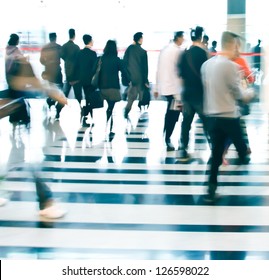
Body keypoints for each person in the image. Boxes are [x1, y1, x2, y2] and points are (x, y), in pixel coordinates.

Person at [1, 33, 68, 218]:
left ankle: (45, 201)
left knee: (19, 158)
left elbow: (19, 83)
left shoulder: (11, 58)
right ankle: (46, 202)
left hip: (14, 111)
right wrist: (52, 92)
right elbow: (25, 82)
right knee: (28, 160)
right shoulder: (18, 59)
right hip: (16, 111)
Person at [201, 31, 255, 203]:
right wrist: (250, 93)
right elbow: (239, 94)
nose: (237, 50)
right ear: (231, 45)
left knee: (216, 155)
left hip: (212, 117)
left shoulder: (207, 65)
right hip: (230, 118)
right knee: (242, 152)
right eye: (237, 46)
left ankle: (211, 190)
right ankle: (243, 195)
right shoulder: (231, 67)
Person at [177, 26, 209, 161]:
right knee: (207, 122)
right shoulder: (203, 54)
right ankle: (215, 149)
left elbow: (181, 76)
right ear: (201, 37)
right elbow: (208, 75)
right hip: (200, 94)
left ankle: (183, 150)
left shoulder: (184, 54)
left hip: (187, 94)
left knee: (186, 123)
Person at [154, 31, 185, 151]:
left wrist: (157, 87)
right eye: (182, 37)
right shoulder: (177, 52)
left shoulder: (165, 50)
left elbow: (158, 69)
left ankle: (167, 134)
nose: (183, 40)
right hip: (175, 90)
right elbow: (179, 72)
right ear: (178, 38)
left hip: (166, 88)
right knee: (174, 114)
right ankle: (168, 138)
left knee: (171, 113)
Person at [96, 40, 130, 139]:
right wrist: (128, 81)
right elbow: (124, 72)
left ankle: (107, 122)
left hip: (102, 87)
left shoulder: (101, 59)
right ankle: (110, 126)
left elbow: (94, 71)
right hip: (113, 87)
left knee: (108, 106)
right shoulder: (117, 60)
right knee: (111, 106)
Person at [123, 32, 149, 119]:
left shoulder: (129, 49)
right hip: (140, 79)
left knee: (131, 98)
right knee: (142, 95)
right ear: (140, 39)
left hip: (132, 78)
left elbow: (125, 63)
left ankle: (127, 110)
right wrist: (146, 80)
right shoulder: (143, 52)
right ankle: (141, 109)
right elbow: (145, 68)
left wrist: (126, 77)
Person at [57, 28, 82, 117]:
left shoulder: (64, 46)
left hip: (68, 74)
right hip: (76, 75)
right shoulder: (76, 47)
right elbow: (79, 61)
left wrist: (67, 61)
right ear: (74, 35)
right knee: (79, 96)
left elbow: (62, 56)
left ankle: (58, 111)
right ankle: (82, 112)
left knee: (64, 95)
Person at [76, 34, 98, 127]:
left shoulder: (79, 53)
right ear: (90, 41)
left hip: (82, 79)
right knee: (90, 96)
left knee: (86, 95)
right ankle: (88, 111)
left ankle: (86, 111)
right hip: (91, 79)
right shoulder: (93, 54)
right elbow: (95, 67)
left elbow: (77, 66)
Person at [40, 32, 63, 118]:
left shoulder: (44, 48)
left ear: (49, 38)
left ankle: (50, 101)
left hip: (48, 71)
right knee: (59, 89)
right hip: (57, 71)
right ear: (55, 38)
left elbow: (41, 60)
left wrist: (48, 63)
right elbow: (63, 56)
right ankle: (57, 108)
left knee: (50, 88)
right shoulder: (58, 47)